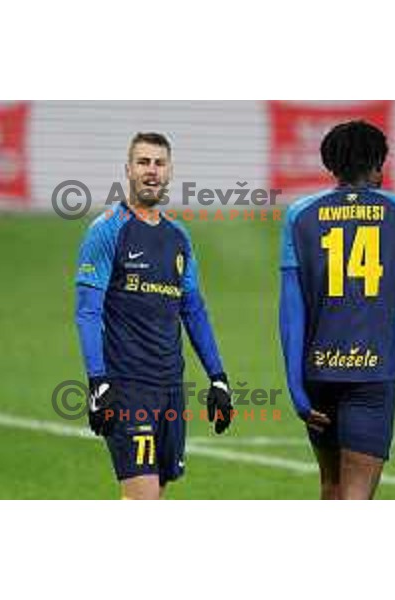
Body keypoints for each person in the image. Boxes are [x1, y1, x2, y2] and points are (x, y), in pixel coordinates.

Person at [279, 121, 395, 500]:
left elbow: (291, 312)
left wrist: (296, 387)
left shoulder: (301, 215)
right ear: (377, 164)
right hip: (375, 371)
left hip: (318, 371)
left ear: (330, 165)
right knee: (357, 495)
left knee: (331, 488)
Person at [75, 132, 232, 500]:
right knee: (141, 499)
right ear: (128, 170)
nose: (151, 171)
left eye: (159, 163)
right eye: (144, 162)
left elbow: (193, 310)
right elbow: (87, 311)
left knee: (156, 496)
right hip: (127, 387)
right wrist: (98, 382)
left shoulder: (179, 237)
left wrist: (218, 377)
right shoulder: (107, 231)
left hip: (171, 390)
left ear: (169, 171)